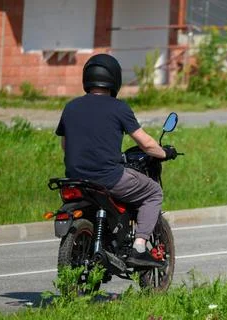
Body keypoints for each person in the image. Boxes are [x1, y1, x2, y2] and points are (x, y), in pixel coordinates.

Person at [55, 53, 177, 268]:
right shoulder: (118, 107)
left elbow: (66, 145)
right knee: (152, 192)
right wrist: (165, 153)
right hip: (108, 178)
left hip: (75, 179)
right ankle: (139, 247)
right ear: (114, 79)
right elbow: (146, 144)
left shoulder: (71, 107)